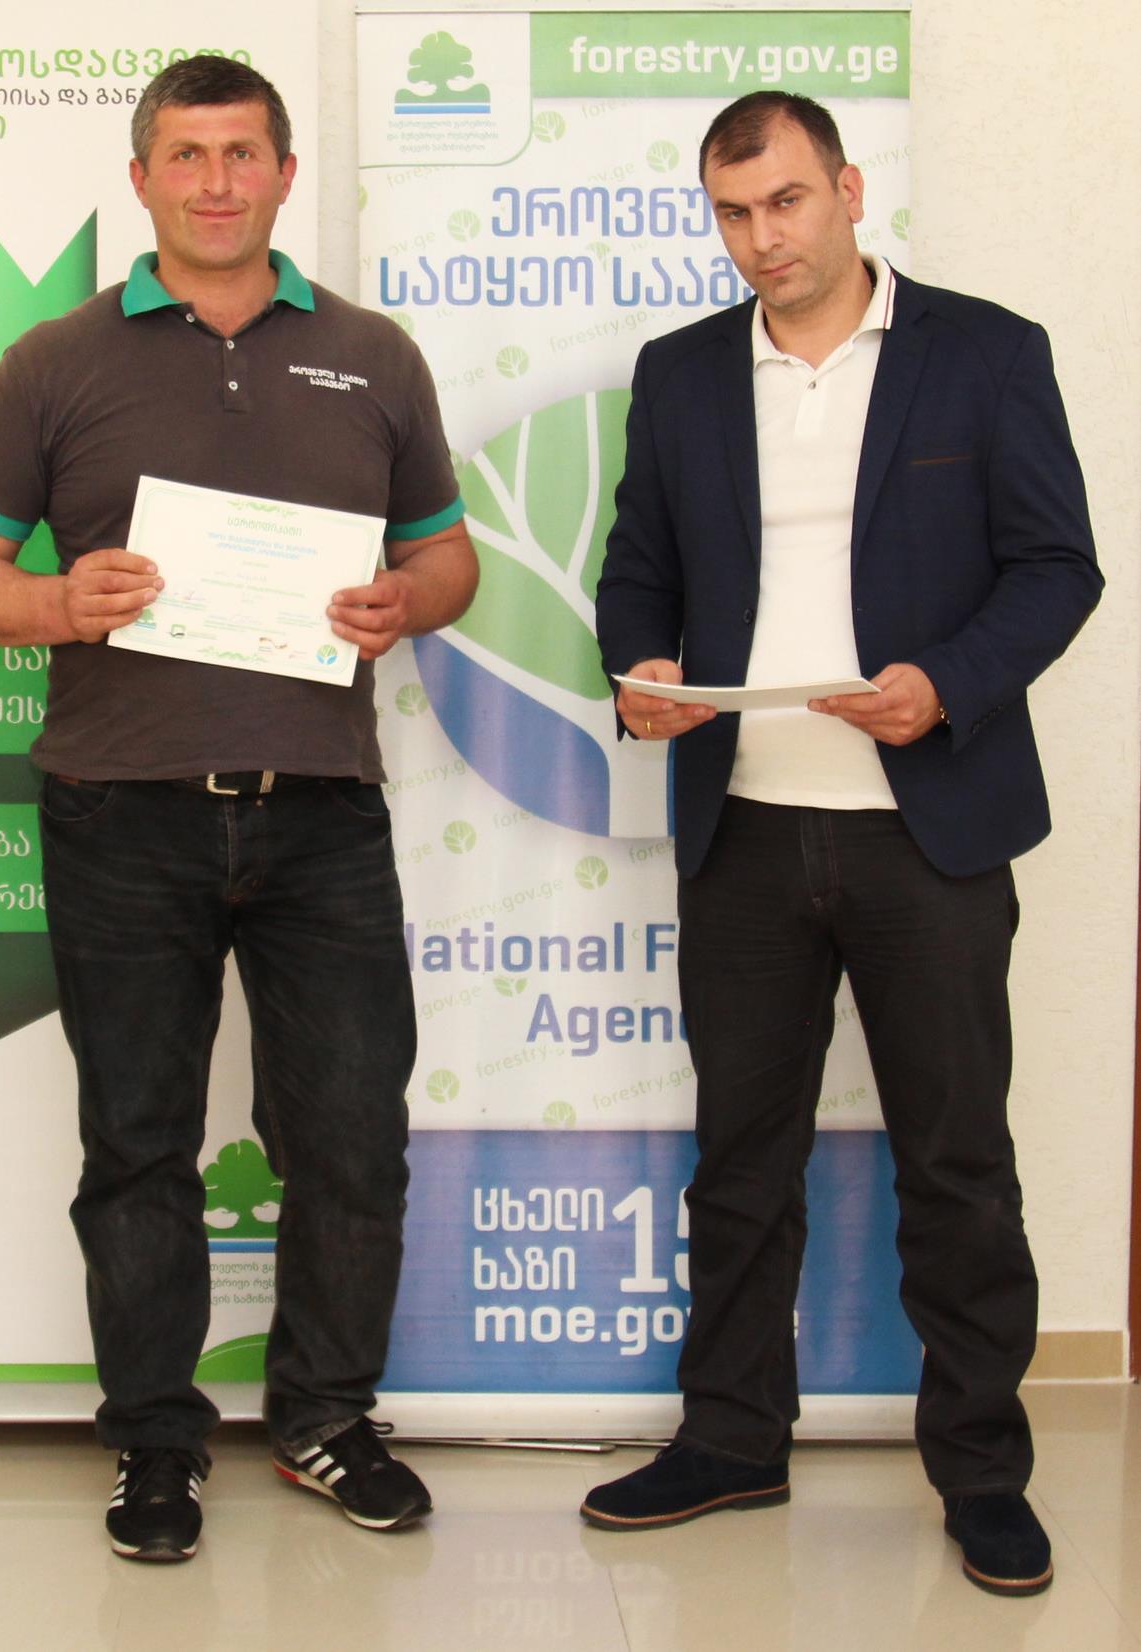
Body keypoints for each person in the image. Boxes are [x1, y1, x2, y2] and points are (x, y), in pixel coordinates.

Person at [0, 57, 476, 1561]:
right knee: (138, 1144)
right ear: (141, 179)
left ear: (284, 173)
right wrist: (56, 602)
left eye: (241, 154)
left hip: (323, 811)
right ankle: (154, 1442)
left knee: (349, 1136)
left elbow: (447, 559)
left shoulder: (372, 353)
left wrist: (404, 600)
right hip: (122, 815)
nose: (215, 181)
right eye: (185, 154)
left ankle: (323, 1417)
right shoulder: (55, 361)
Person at [589, 92, 1100, 1597]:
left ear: (849, 190)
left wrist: (945, 683)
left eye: (788, 201)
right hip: (745, 829)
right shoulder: (680, 373)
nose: (764, 238)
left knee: (957, 1161)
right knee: (741, 1159)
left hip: (927, 830)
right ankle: (731, 1437)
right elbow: (638, 569)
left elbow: (1057, 568)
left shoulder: (986, 353)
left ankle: (982, 1471)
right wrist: (640, 671)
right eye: (733, 212)